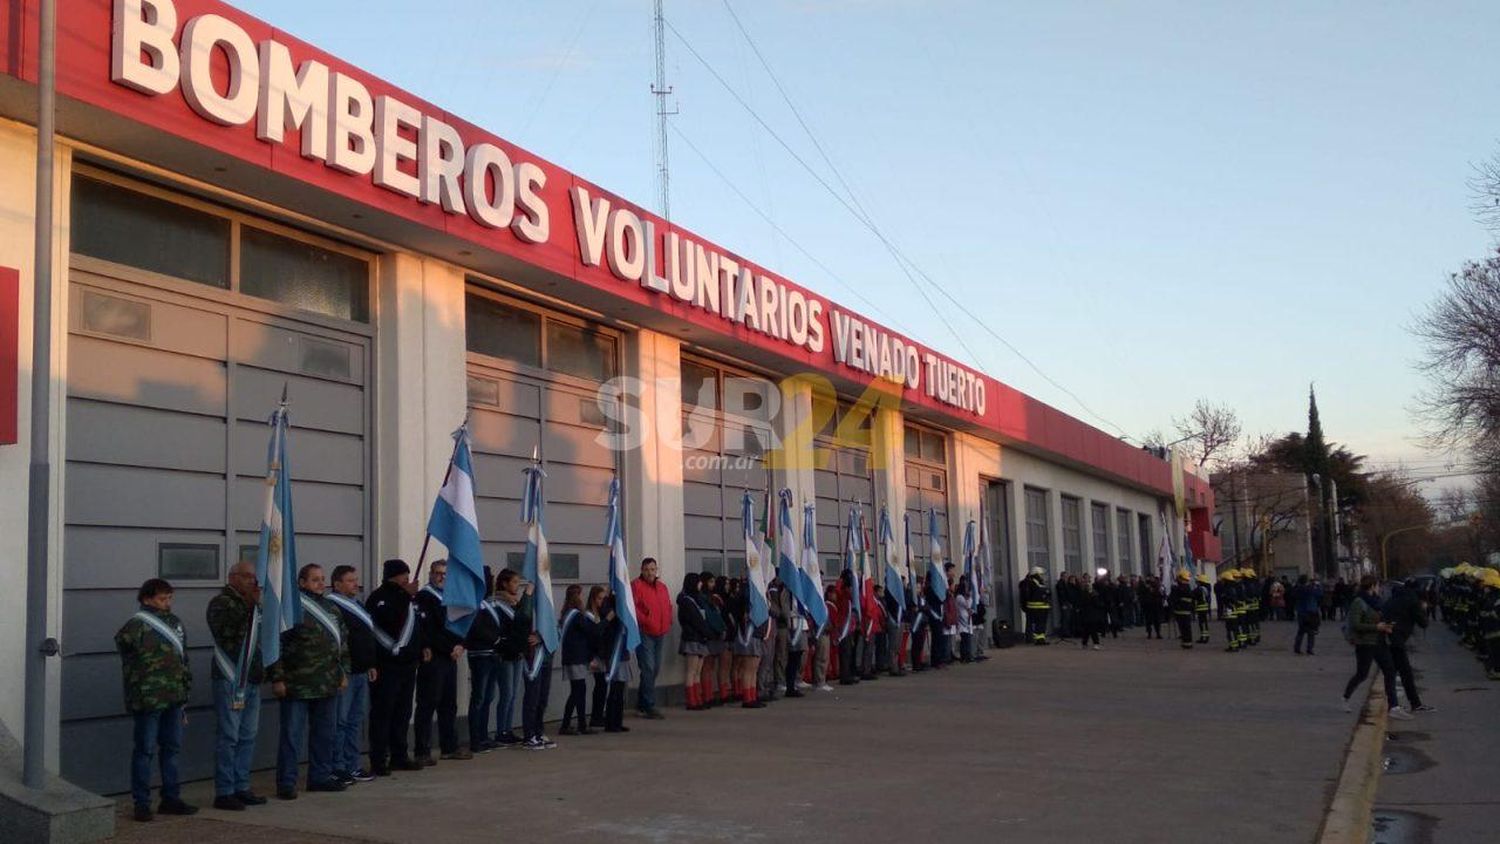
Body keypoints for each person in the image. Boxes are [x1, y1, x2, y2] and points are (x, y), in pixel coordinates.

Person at [116, 578, 196, 822]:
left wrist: (185, 693)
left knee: (171, 749)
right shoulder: (135, 626)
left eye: (170, 598)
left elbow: (184, 660)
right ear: (147, 598)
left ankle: (171, 798)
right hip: (148, 699)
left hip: (174, 696)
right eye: (162, 598)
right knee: (145, 750)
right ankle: (142, 802)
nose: (167, 603)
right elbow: (127, 657)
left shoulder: (175, 623)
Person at [270, 563, 350, 799]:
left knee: (325, 734)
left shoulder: (331, 608)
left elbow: (342, 644)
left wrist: (343, 672)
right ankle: (286, 782)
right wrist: (278, 677)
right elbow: (276, 645)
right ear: (302, 582)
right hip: (297, 684)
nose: (320, 583)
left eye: (322, 579)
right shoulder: (292, 608)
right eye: (315, 579)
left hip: (327, 683)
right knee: (291, 736)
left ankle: (320, 777)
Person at [206, 560, 266, 811]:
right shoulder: (221, 603)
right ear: (233, 577)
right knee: (229, 736)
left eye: (253, 577)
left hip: (251, 677)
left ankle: (242, 786)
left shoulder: (251, 604)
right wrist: (252, 607)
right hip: (230, 677)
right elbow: (230, 633)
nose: (252, 581)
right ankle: (225, 790)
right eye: (246, 576)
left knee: (247, 736)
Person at [366, 559, 425, 775]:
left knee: (403, 712)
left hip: (408, 665)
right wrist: (404, 596)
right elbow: (391, 620)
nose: (407, 579)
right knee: (383, 713)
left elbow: (417, 625)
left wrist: (422, 647)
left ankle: (399, 755)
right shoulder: (379, 598)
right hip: (386, 665)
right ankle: (379, 759)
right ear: (393, 576)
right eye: (403, 575)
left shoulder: (410, 599)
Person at [413, 560, 469, 765]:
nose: (441, 577)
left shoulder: (451, 598)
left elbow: (461, 624)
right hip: (434, 657)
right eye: (438, 573)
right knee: (427, 704)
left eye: (445, 574)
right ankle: (422, 750)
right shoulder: (424, 597)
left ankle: (449, 746)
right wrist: (449, 647)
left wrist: (461, 644)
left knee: (448, 704)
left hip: (451, 657)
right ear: (430, 574)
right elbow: (429, 630)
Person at [327, 565, 378, 781]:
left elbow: (367, 637)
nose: (355, 584)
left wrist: (371, 664)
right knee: (341, 721)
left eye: (355, 579)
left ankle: (353, 764)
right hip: (346, 673)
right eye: (349, 580)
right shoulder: (333, 606)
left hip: (361, 671)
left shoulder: (358, 604)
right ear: (337, 584)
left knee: (355, 721)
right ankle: (338, 766)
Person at [1341, 575, 1412, 720]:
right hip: (1365, 643)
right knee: (1362, 674)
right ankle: (1345, 697)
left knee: (1390, 670)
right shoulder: (1358, 602)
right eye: (1378, 586)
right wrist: (1376, 627)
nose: (1379, 589)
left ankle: (1394, 706)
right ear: (1372, 586)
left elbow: (1378, 618)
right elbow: (1356, 624)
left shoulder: (1376, 602)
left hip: (1379, 641)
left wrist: (1386, 626)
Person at [460, 567, 502, 752]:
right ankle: (475, 739)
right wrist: (496, 639)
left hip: (492, 654)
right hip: (480, 654)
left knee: (488, 697)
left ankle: (484, 736)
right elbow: (475, 629)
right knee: (478, 697)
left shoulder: (489, 604)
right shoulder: (473, 605)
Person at [1383, 579, 1434, 712]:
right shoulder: (1412, 600)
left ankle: (1394, 703)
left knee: (1392, 672)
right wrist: (1423, 609)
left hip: (1387, 637)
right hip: (1397, 639)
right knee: (1405, 673)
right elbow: (1423, 623)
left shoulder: (1394, 597)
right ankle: (1412, 704)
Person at [630, 557, 671, 720]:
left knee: (655, 668)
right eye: (647, 569)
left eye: (652, 569)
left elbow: (667, 605)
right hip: (645, 631)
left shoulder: (662, 587)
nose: (650, 572)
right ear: (641, 570)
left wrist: (667, 620)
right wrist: (645, 620)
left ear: (656, 570)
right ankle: (648, 705)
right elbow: (633, 607)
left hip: (660, 632)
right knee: (648, 667)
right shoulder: (636, 585)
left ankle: (641, 702)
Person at [516, 578, 554, 751]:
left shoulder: (547, 606)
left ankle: (538, 731)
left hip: (546, 657)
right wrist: (529, 590)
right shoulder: (528, 601)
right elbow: (522, 615)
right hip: (533, 658)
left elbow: (554, 629)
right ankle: (529, 735)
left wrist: (544, 636)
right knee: (532, 698)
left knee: (542, 698)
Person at [490, 568, 526, 747]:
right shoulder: (497, 604)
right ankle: (501, 730)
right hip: (504, 654)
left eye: (518, 583)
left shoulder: (516, 603)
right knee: (507, 693)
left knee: (513, 694)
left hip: (518, 653)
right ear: (504, 583)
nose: (517, 586)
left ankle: (508, 728)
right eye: (514, 582)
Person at [559, 585, 601, 736]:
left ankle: (574, 724)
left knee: (577, 691)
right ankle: (573, 724)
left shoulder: (566, 613)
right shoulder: (576, 615)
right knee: (578, 691)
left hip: (572, 657)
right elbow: (591, 631)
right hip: (576, 658)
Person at [597, 593, 634, 731]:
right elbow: (609, 623)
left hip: (622, 650)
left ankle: (617, 721)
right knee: (614, 689)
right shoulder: (608, 606)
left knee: (620, 689)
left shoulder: (623, 605)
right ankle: (611, 723)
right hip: (613, 651)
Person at [677, 572, 712, 709]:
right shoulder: (686, 601)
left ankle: (697, 698)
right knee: (691, 671)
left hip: (700, 638)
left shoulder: (696, 599)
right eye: (698, 582)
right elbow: (696, 620)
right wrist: (707, 632)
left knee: (698, 671)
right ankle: (691, 700)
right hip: (692, 638)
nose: (701, 584)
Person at [1291, 574, 1324, 656]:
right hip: (1310, 612)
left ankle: (1297, 647)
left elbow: (1293, 595)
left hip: (1301, 612)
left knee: (1301, 631)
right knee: (1311, 632)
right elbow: (1319, 593)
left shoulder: (1298, 589)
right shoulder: (1310, 589)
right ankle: (1309, 649)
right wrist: (1317, 585)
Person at [1020, 567, 1052, 645]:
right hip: (1035, 608)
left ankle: (1041, 639)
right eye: (1041, 574)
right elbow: (1029, 595)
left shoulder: (1039, 583)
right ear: (1036, 574)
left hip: (1043, 607)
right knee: (1037, 624)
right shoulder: (1030, 583)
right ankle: (1035, 639)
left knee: (1042, 624)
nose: (1042, 576)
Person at [1168, 571, 1196, 649]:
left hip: (1180, 611)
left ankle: (1186, 643)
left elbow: (1172, 599)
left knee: (1184, 628)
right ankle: (1187, 643)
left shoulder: (1179, 588)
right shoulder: (1188, 587)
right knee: (1186, 628)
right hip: (1186, 610)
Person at [956, 576, 975, 662]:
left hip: (968, 620)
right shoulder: (959, 597)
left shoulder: (968, 597)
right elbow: (966, 605)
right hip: (962, 621)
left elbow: (971, 605)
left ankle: (968, 655)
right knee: (964, 639)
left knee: (968, 639)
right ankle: (964, 656)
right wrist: (968, 597)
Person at [1193, 574, 1212, 645]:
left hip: (1201, 608)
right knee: (1205, 623)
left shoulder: (1199, 589)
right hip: (1205, 607)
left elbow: (1193, 595)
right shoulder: (1206, 588)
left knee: (1202, 623)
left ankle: (1203, 637)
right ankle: (1206, 636)